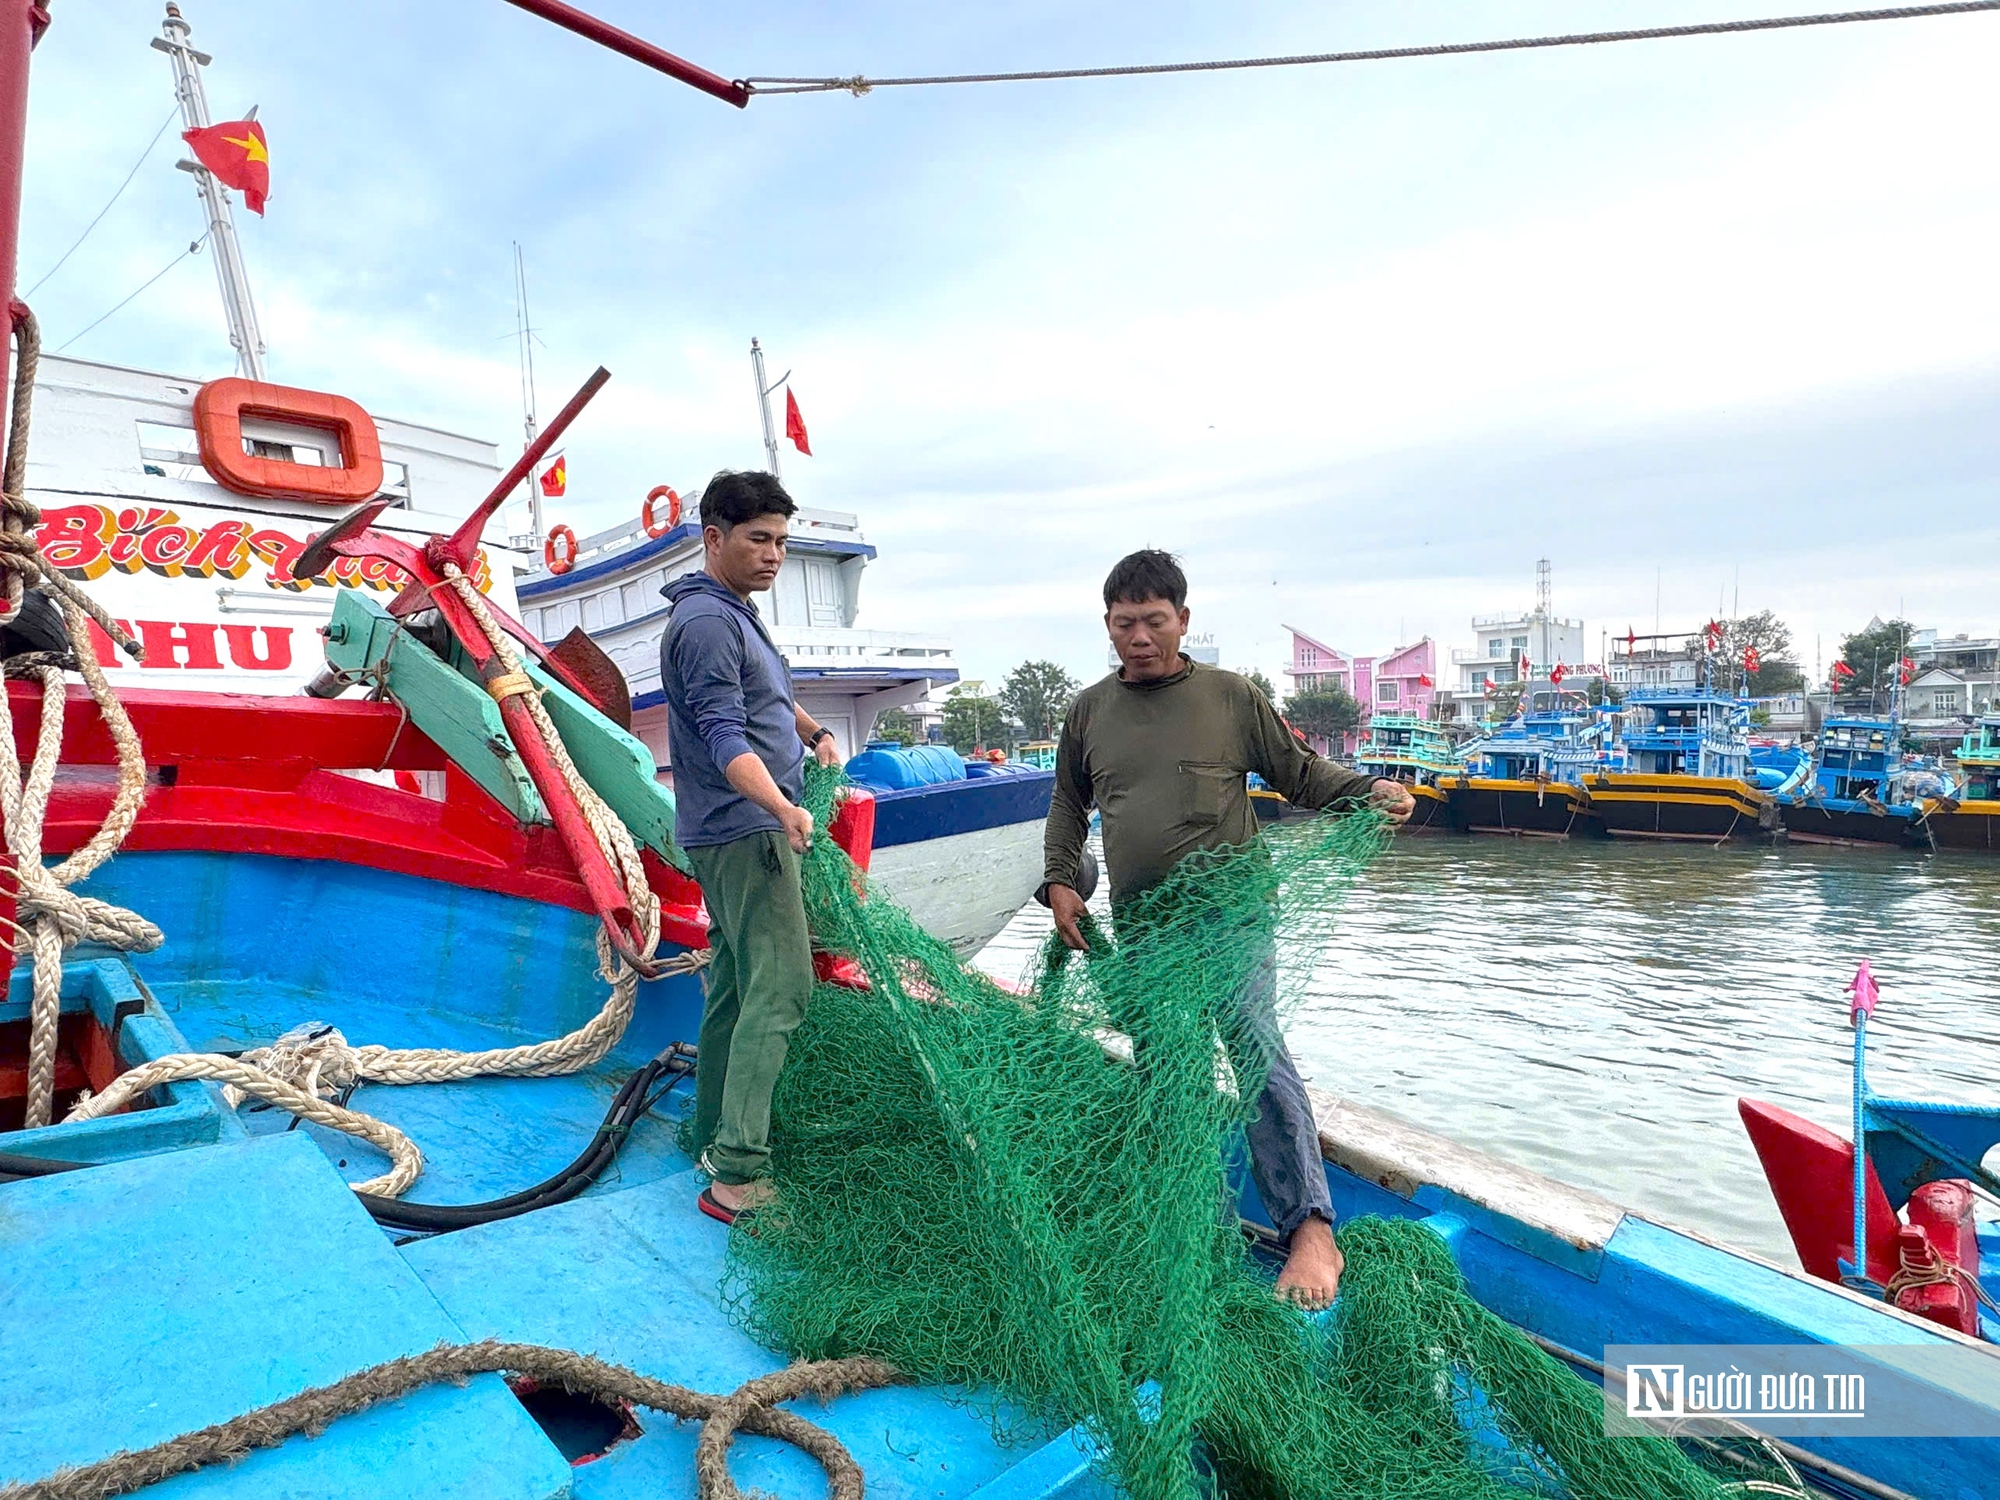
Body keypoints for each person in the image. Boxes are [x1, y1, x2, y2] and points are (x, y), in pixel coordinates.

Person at [1040, 549, 1414, 1308]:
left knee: (1253, 1043)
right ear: (1107, 625)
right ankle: (1198, 1230)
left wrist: (1368, 790)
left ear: (1183, 620)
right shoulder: (1088, 711)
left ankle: (1311, 1231)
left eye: (1153, 621)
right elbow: (1069, 803)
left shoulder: (1230, 696)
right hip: (1146, 925)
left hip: (1232, 910)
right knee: (1169, 1070)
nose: (1139, 637)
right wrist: (1059, 880)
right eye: (1123, 623)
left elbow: (1301, 774)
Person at [660, 470, 842, 1226]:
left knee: (736, 984)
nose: (774, 555)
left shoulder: (730, 611)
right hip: (745, 828)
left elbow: (765, 699)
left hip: (733, 826)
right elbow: (723, 734)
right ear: (714, 537)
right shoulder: (708, 622)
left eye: (782, 542)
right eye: (758, 539)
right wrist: (781, 808)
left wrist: (813, 732)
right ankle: (737, 1173)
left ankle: (711, 1133)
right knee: (784, 987)